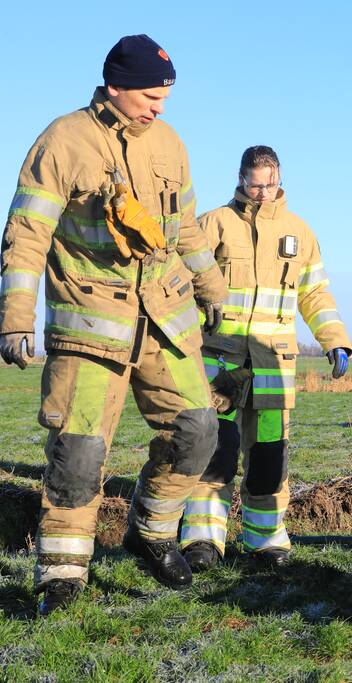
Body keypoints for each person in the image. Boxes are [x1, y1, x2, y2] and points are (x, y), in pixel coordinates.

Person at [0, 35, 227, 615]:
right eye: (150, 96)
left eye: (166, 97)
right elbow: (26, 236)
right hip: (90, 327)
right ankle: (61, 576)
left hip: (166, 320)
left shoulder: (170, 143)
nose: (159, 108)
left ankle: (149, 532)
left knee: (199, 430)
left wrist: (213, 289)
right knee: (77, 455)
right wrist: (15, 316)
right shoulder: (62, 141)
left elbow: (188, 232)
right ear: (115, 86)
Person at [179, 146, 352, 571]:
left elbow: (314, 292)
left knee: (270, 459)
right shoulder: (214, 223)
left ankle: (266, 542)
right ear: (241, 179)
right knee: (214, 454)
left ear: (280, 179)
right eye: (255, 184)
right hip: (219, 363)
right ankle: (202, 542)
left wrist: (335, 339)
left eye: (269, 183)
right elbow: (183, 282)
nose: (262, 192)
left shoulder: (300, 232)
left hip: (274, 367)